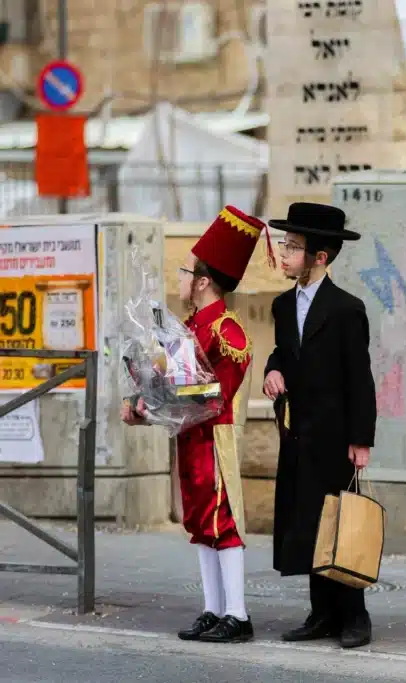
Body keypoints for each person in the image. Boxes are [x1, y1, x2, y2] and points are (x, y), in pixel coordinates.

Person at [122, 206, 271, 643]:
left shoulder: (228, 332)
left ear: (203, 281)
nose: (180, 278)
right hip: (191, 439)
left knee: (223, 521)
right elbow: (172, 385)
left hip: (214, 439)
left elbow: (208, 397)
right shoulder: (189, 327)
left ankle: (238, 614)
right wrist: (140, 395)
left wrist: (149, 410)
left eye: (186, 271)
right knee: (199, 523)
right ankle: (213, 608)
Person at [263, 202, 377, 649]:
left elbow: (360, 378)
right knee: (308, 522)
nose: (284, 253)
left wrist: (361, 439)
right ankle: (321, 614)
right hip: (298, 434)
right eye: (285, 244)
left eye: (293, 247)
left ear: (320, 257)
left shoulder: (347, 309)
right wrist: (273, 370)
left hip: (335, 436)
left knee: (340, 525)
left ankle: (355, 616)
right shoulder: (281, 304)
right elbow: (282, 353)